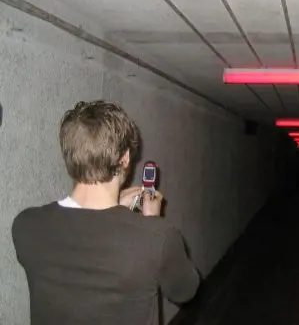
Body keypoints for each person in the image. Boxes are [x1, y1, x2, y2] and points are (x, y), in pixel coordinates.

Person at [11, 101, 200, 325]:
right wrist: (151, 223)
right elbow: (185, 290)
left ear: (70, 155)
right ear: (126, 158)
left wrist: (116, 208)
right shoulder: (158, 237)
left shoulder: (26, 225)